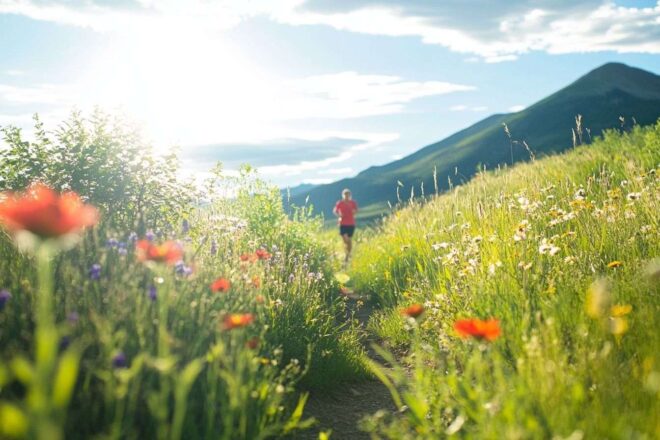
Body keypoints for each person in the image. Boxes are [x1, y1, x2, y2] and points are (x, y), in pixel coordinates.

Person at [333, 189, 358, 263]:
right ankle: (348, 255)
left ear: (350, 195)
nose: (347, 196)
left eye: (348, 194)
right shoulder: (340, 203)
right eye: (345, 194)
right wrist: (339, 215)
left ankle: (348, 256)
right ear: (343, 195)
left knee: (349, 240)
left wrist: (354, 212)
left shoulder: (353, 203)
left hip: (351, 223)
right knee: (345, 240)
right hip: (342, 223)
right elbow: (335, 211)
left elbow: (356, 210)